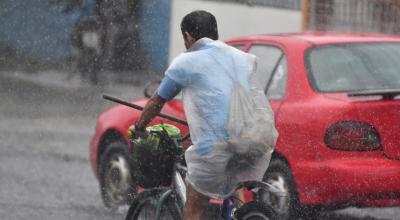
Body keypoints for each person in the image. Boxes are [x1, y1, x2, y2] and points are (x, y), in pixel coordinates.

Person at [130, 10, 272, 220]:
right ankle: (243, 214)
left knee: (195, 207)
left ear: (188, 36)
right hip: (252, 141)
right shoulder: (240, 57)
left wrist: (140, 127)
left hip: (215, 148)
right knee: (234, 181)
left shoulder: (186, 62)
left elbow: (156, 102)